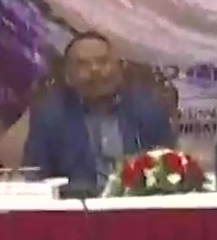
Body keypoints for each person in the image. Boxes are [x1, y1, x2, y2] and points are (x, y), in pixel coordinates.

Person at [23, 32, 176, 190]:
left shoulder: (149, 106)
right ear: (68, 75)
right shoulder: (49, 114)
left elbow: (169, 167)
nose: (95, 70)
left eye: (103, 61)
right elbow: (35, 174)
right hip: (77, 202)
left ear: (119, 67)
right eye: (83, 64)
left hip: (137, 199)